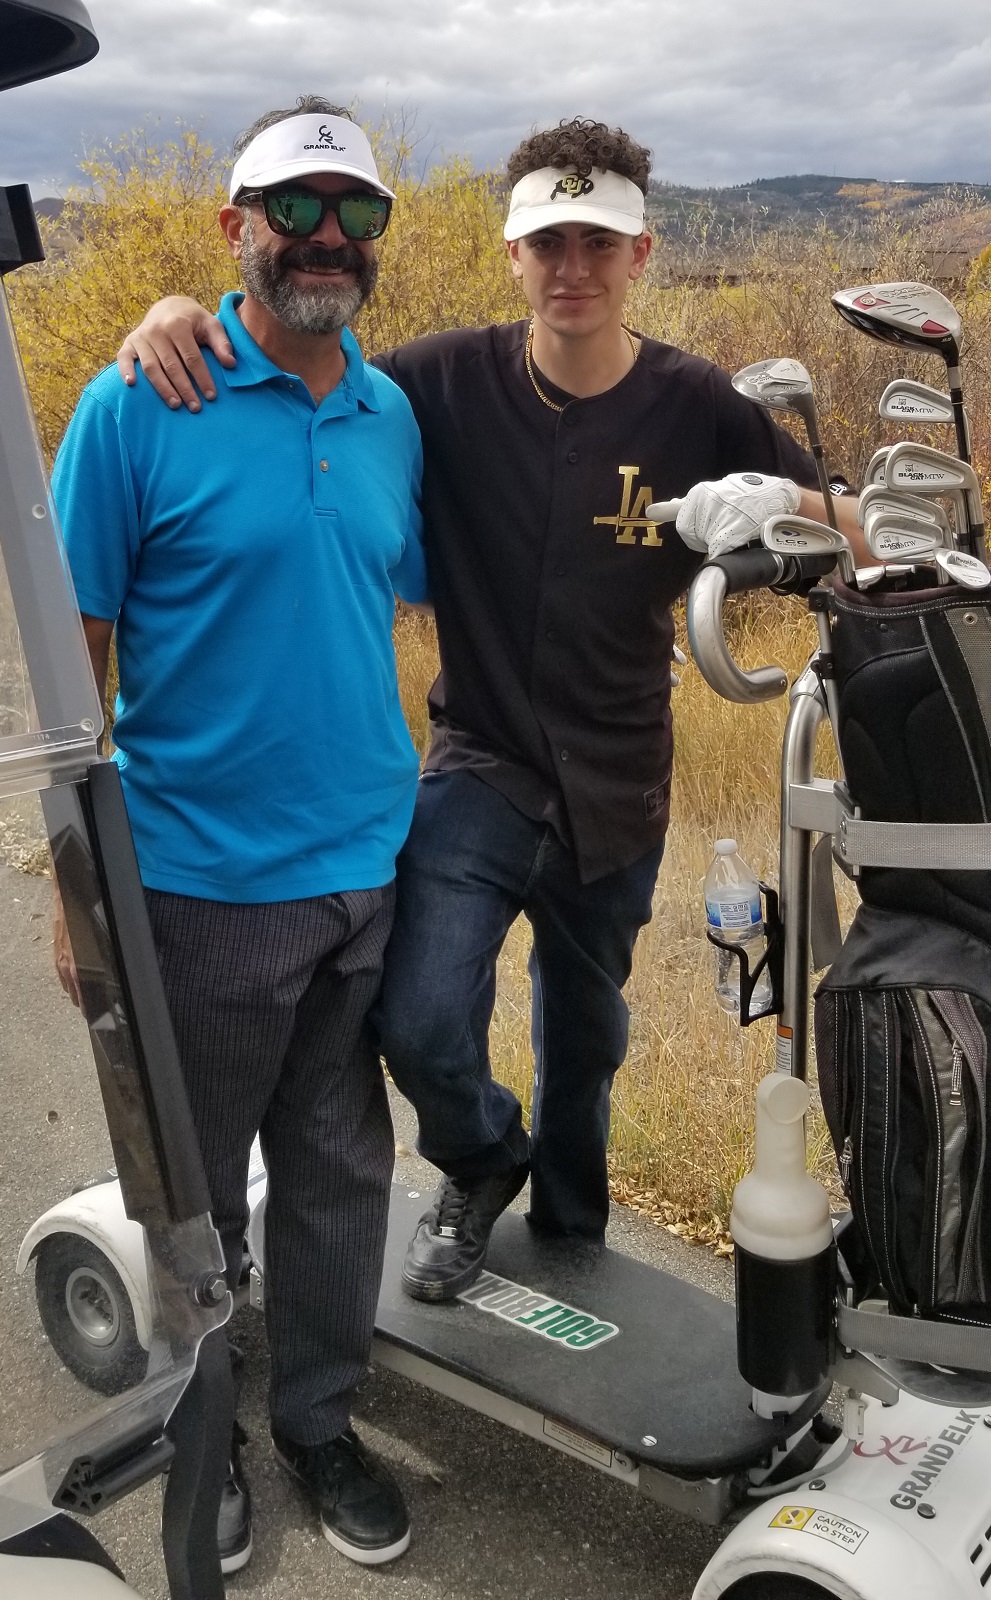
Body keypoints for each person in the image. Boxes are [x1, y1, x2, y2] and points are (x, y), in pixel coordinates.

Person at [116, 116, 866, 1307]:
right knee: (418, 1019)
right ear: (511, 254)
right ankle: (480, 1158)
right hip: (479, 762)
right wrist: (171, 315)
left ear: (641, 254)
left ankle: (574, 1244)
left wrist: (779, 499)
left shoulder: (694, 402)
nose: (573, 267)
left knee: (586, 1040)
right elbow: (294, 350)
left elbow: (852, 534)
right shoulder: (433, 383)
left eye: (598, 243)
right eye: (547, 243)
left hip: (620, 774)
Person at [52, 99, 428, 1571]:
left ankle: (318, 1420)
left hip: (364, 872)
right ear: (234, 228)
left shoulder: (387, 414)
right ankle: (193, 1438)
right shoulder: (137, 404)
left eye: (357, 211)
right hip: (200, 887)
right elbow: (72, 659)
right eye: (295, 208)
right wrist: (76, 889)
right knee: (192, 1194)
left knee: (339, 1171)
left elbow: (389, 589)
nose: (328, 238)